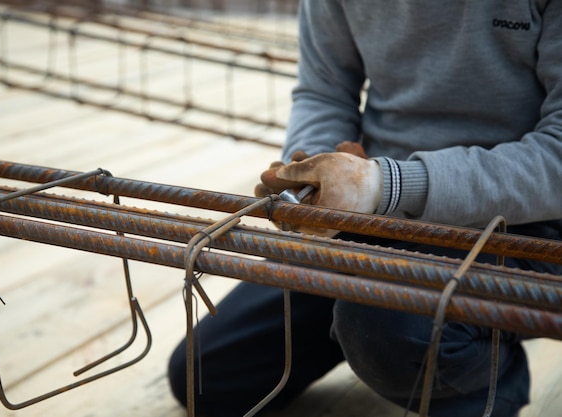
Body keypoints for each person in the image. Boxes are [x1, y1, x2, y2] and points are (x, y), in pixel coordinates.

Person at [168, 1, 562, 416]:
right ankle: (367, 333)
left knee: (383, 325)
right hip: (374, 211)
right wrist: (315, 171)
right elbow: (324, 92)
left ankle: (486, 378)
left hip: (523, 226)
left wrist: (384, 184)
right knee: (203, 377)